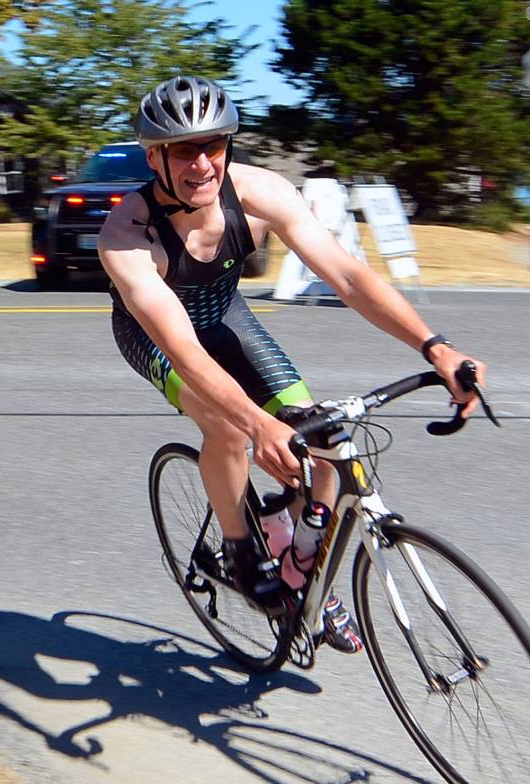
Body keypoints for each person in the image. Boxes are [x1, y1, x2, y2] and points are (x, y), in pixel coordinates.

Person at [98, 74, 486, 654]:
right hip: (157, 338)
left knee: (324, 437)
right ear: (155, 156)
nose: (202, 163)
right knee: (227, 425)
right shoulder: (127, 236)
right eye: (183, 150)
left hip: (225, 314)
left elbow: (349, 276)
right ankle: (238, 544)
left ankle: (301, 564)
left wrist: (435, 347)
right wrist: (260, 426)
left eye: (214, 146)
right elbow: (184, 350)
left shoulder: (260, 194)